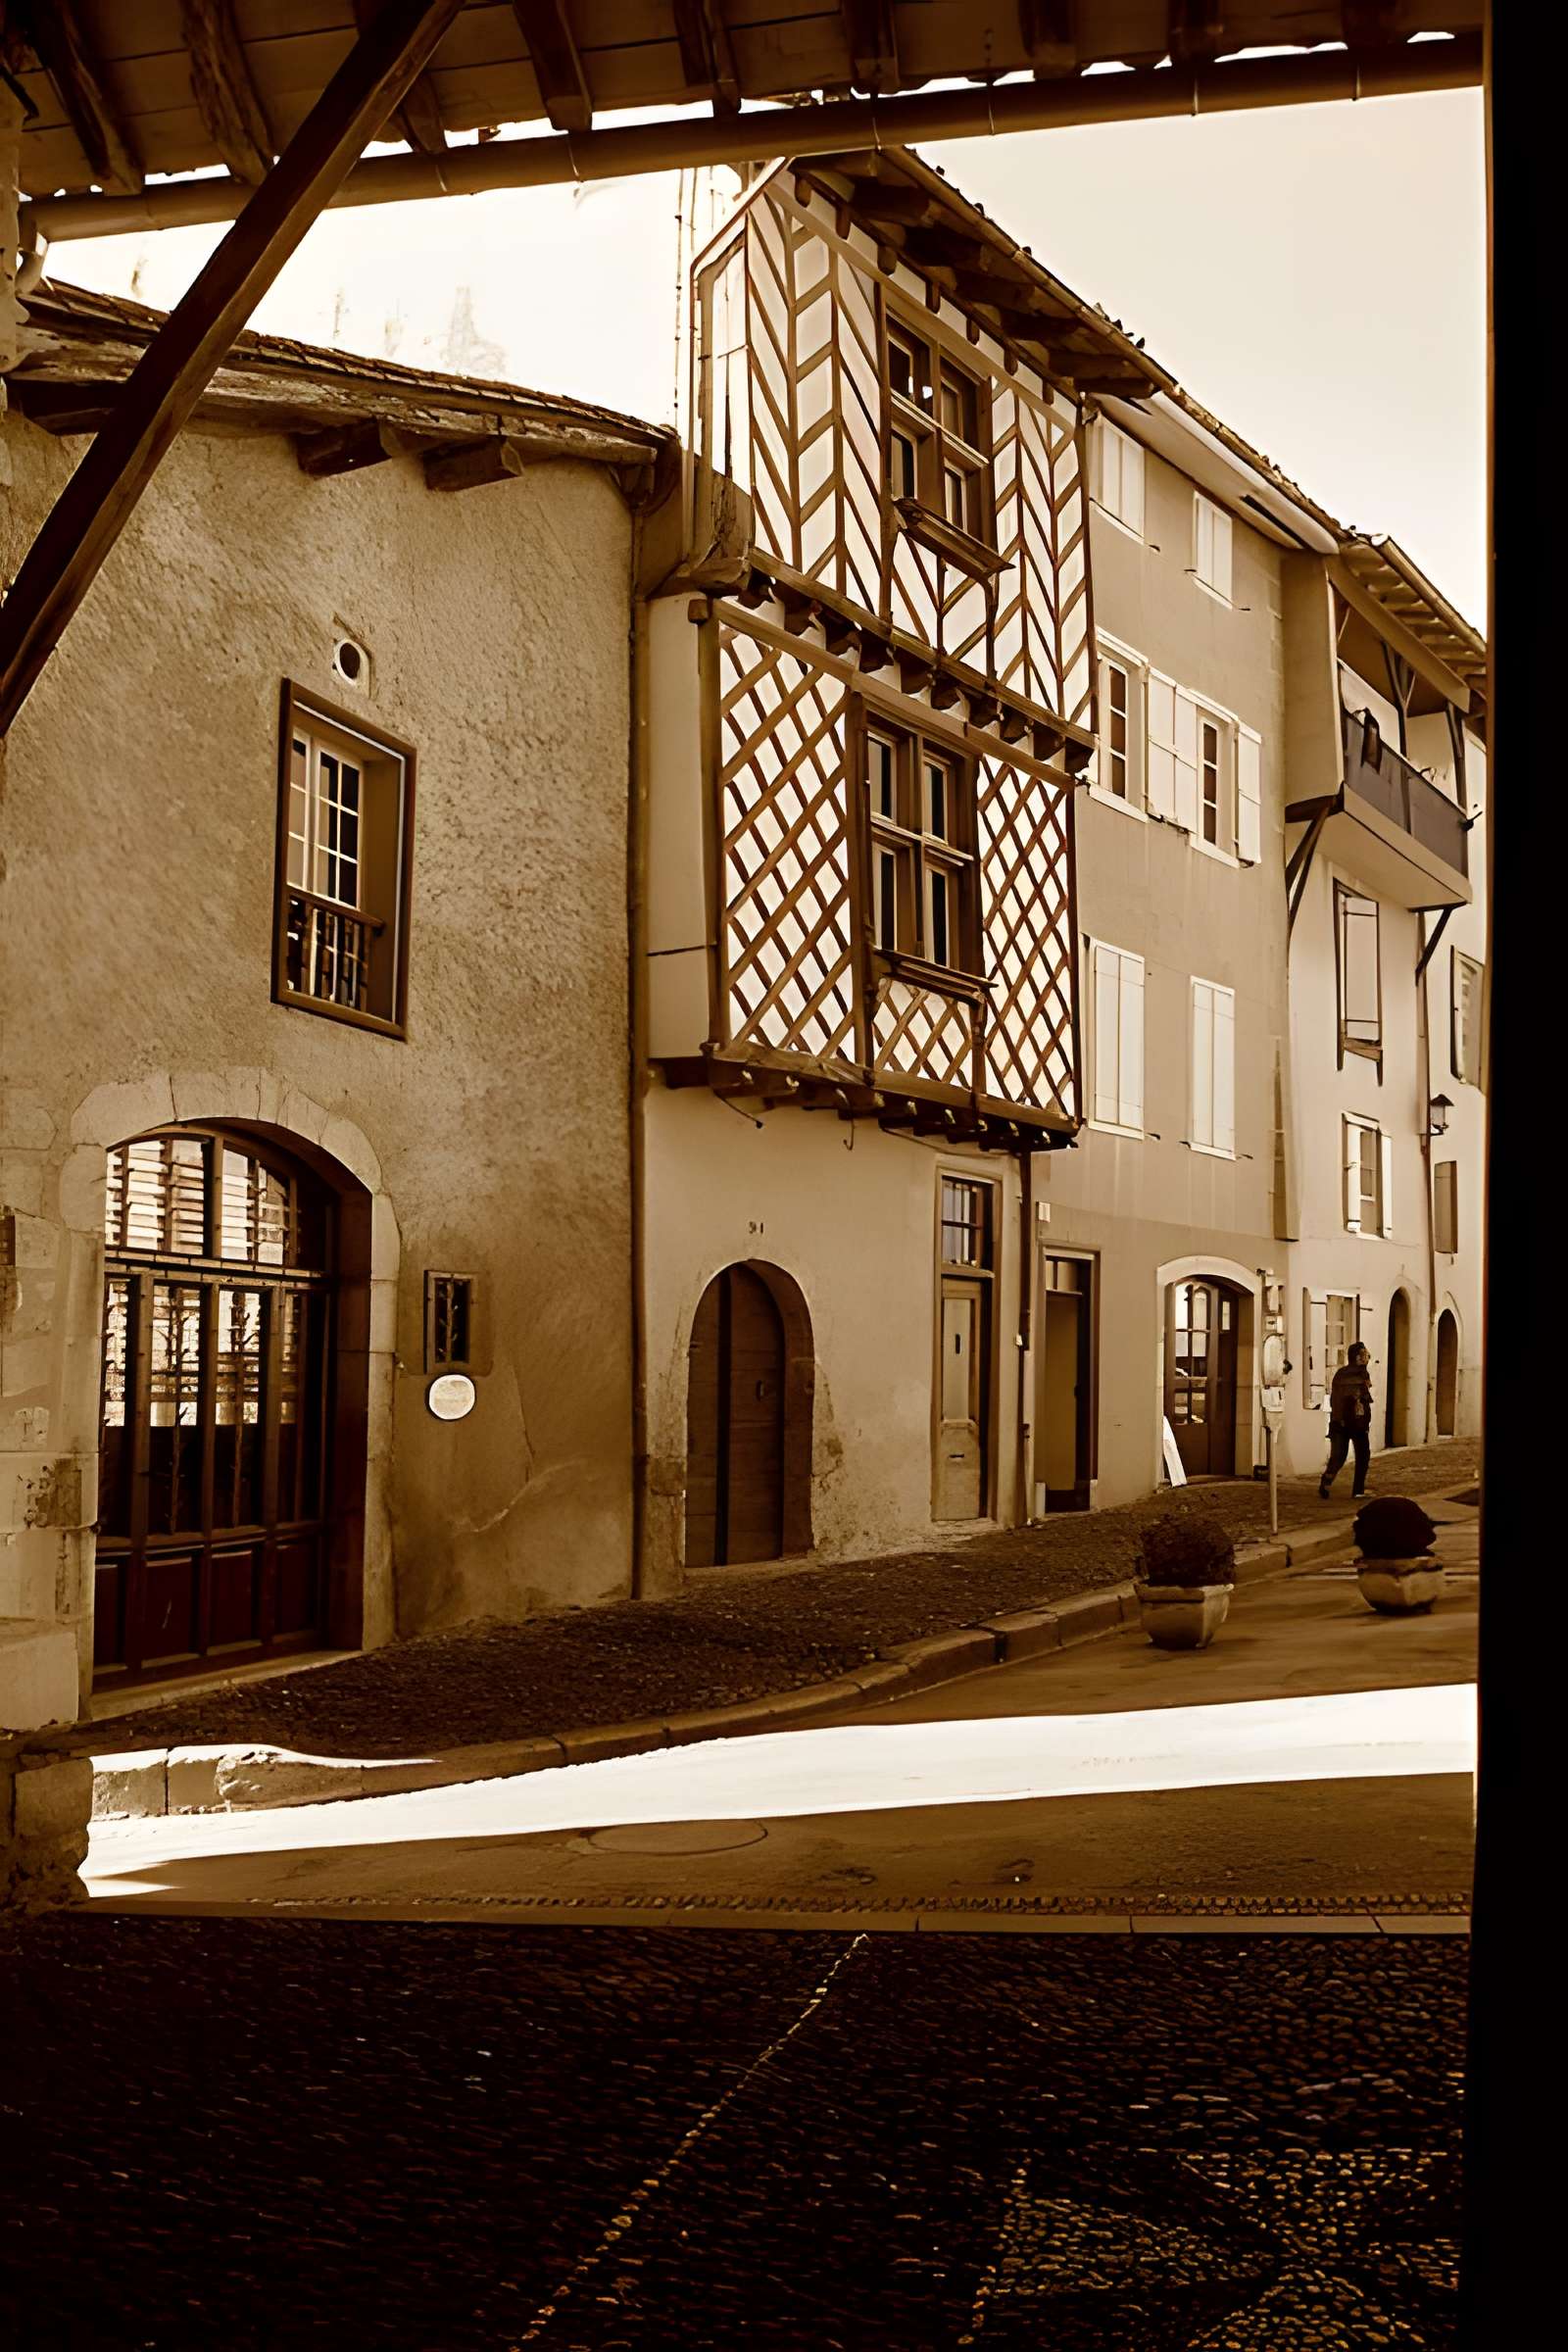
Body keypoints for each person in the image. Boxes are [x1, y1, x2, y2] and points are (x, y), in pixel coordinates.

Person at [1320, 1340, 1373, 1499]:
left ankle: (1329, 1482)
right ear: (1356, 1357)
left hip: (1349, 1422)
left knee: (1343, 1457)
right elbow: (1340, 1399)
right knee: (1351, 1456)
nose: (1366, 1358)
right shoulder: (1352, 1374)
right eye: (1363, 1355)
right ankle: (1355, 1490)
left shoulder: (1351, 1373)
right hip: (1349, 1422)